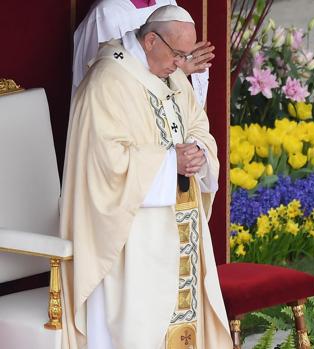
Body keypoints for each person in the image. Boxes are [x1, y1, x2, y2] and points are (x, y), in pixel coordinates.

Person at [60, 5, 232, 349]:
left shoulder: (170, 73)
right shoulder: (108, 81)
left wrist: (198, 150)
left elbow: (197, 123)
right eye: (178, 54)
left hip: (180, 228)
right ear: (151, 40)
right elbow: (103, 164)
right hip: (131, 239)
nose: (182, 63)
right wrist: (170, 163)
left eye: (186, 55)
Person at [72, 0, 213, 108]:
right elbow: (105, 86)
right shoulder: (107, 14)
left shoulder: (166, 3)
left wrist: (184, 57)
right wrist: (179, 73)